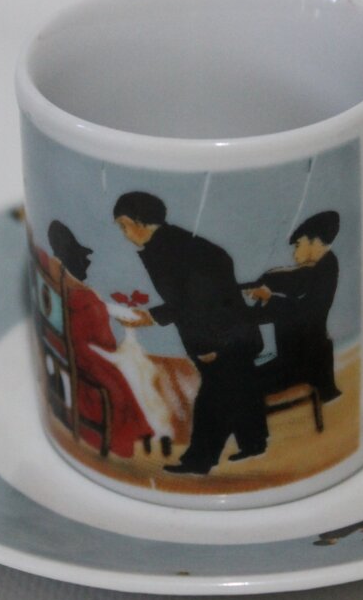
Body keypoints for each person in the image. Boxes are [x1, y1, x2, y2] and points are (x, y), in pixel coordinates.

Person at [112, 192, 267, 474]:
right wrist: (152, 316)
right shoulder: (173, 244)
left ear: (140, 222)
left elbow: (199, 300)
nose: (124, 233)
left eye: (124, 225)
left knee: (213, 399)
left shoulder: (173, 250)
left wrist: (207, 345)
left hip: (223, 336)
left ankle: (201, 459)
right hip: (232, 332)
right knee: (240, 387)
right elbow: (190, 297)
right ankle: (254, 443)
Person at [44, 220, 153, 458]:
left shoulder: (73, 287)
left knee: (131, 372)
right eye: (84, 259)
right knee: (125, 379)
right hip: (88, 354)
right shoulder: (78, 293)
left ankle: (140, 435)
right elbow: (94, 327)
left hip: (89, 350)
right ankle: (126, 439)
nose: (88, 263)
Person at [242, 210, 342, 402]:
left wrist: (269, 298)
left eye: (298, 245)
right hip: (296, 357)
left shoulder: (326, 267)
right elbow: (288, 281)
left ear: (314, 242)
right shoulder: (318, 269)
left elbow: (308, 311)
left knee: (242, 386)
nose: (295, 254)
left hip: (304, 360)